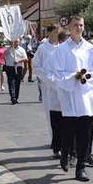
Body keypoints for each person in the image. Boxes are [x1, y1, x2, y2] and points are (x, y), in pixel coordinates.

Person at [53, 16, 93, 183]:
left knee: (85, 133)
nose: (79, 28)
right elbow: (58, 72)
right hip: (69, 94)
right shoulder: (61, 49)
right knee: (68, 131)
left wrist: (86, 77)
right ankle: (65, 154)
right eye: (76, 25)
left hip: (85, 94)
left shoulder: (90, 48)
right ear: (69, 27)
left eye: (81, 25)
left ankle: (81, 166)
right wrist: (72, 76)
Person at [33, 25, 61, 155]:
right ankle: (54, 139)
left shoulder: (63, 47)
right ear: (49, 33)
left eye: (58, 32)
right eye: (54, 32)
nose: (56, 34)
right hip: (48, 86)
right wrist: (47, 79)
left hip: (63, 85)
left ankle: (64, 141)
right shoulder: (43, 48)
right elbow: (37, 66)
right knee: (51, 113)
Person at [4, 39, 27, 105]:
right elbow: (5, 54)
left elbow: (25, 58)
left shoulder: (21, 49)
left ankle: (16, 97)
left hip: (19, 67)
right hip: (10, 67)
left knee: (17, 83)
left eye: (17, 42)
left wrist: (19, 60)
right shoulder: (8, 49)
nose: (16, 43)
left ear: (19, 42)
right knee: (11, 82)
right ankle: (13, 97)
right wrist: (10, 47)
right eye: (14, 42)